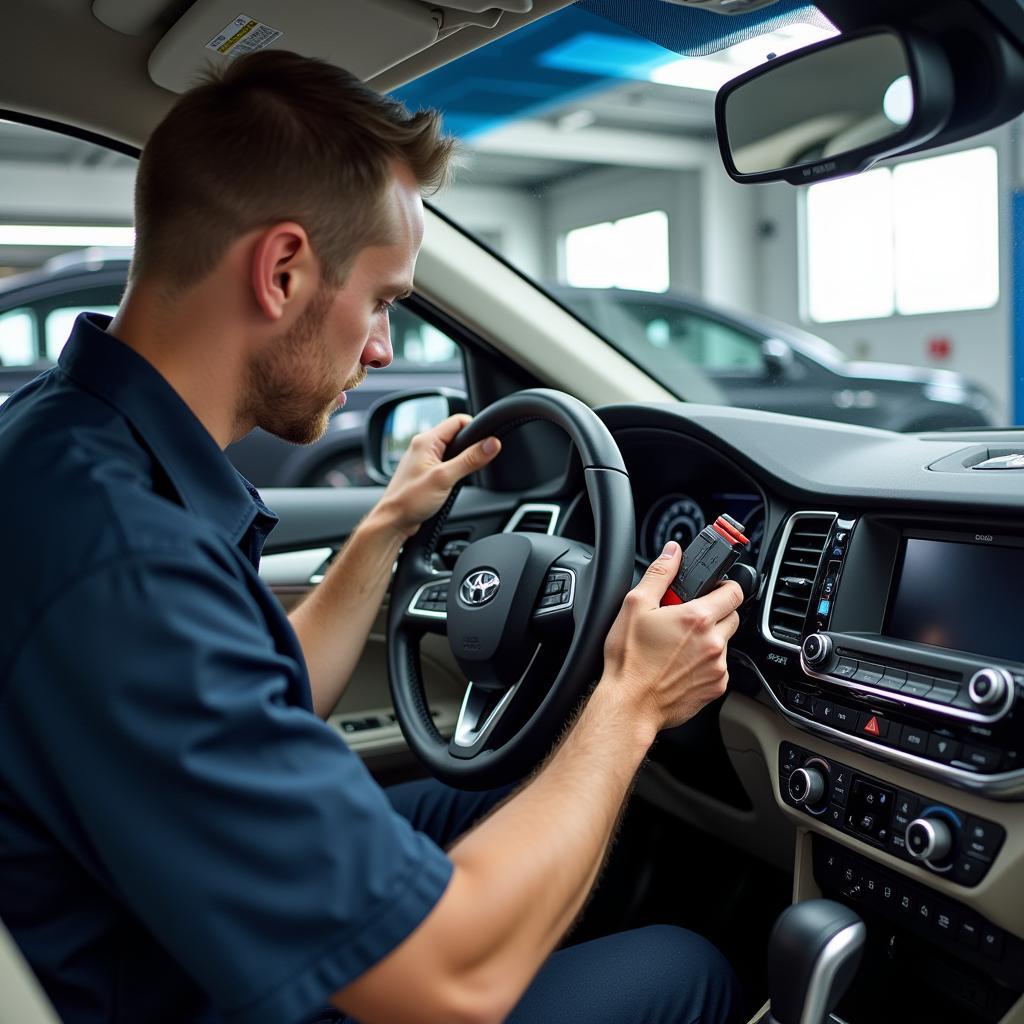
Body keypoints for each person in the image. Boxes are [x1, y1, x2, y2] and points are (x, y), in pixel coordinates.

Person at [0, 50, 744, 1024]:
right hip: (183, 985)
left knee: (490, 807)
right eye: (385, 299)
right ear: (282, 270)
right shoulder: (127, 563)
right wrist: (631, 701)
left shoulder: (65, 445)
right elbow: (446, 984)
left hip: (161, 922)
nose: (385, 348)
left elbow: (268, 690)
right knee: (686, 967)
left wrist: (389, 523)